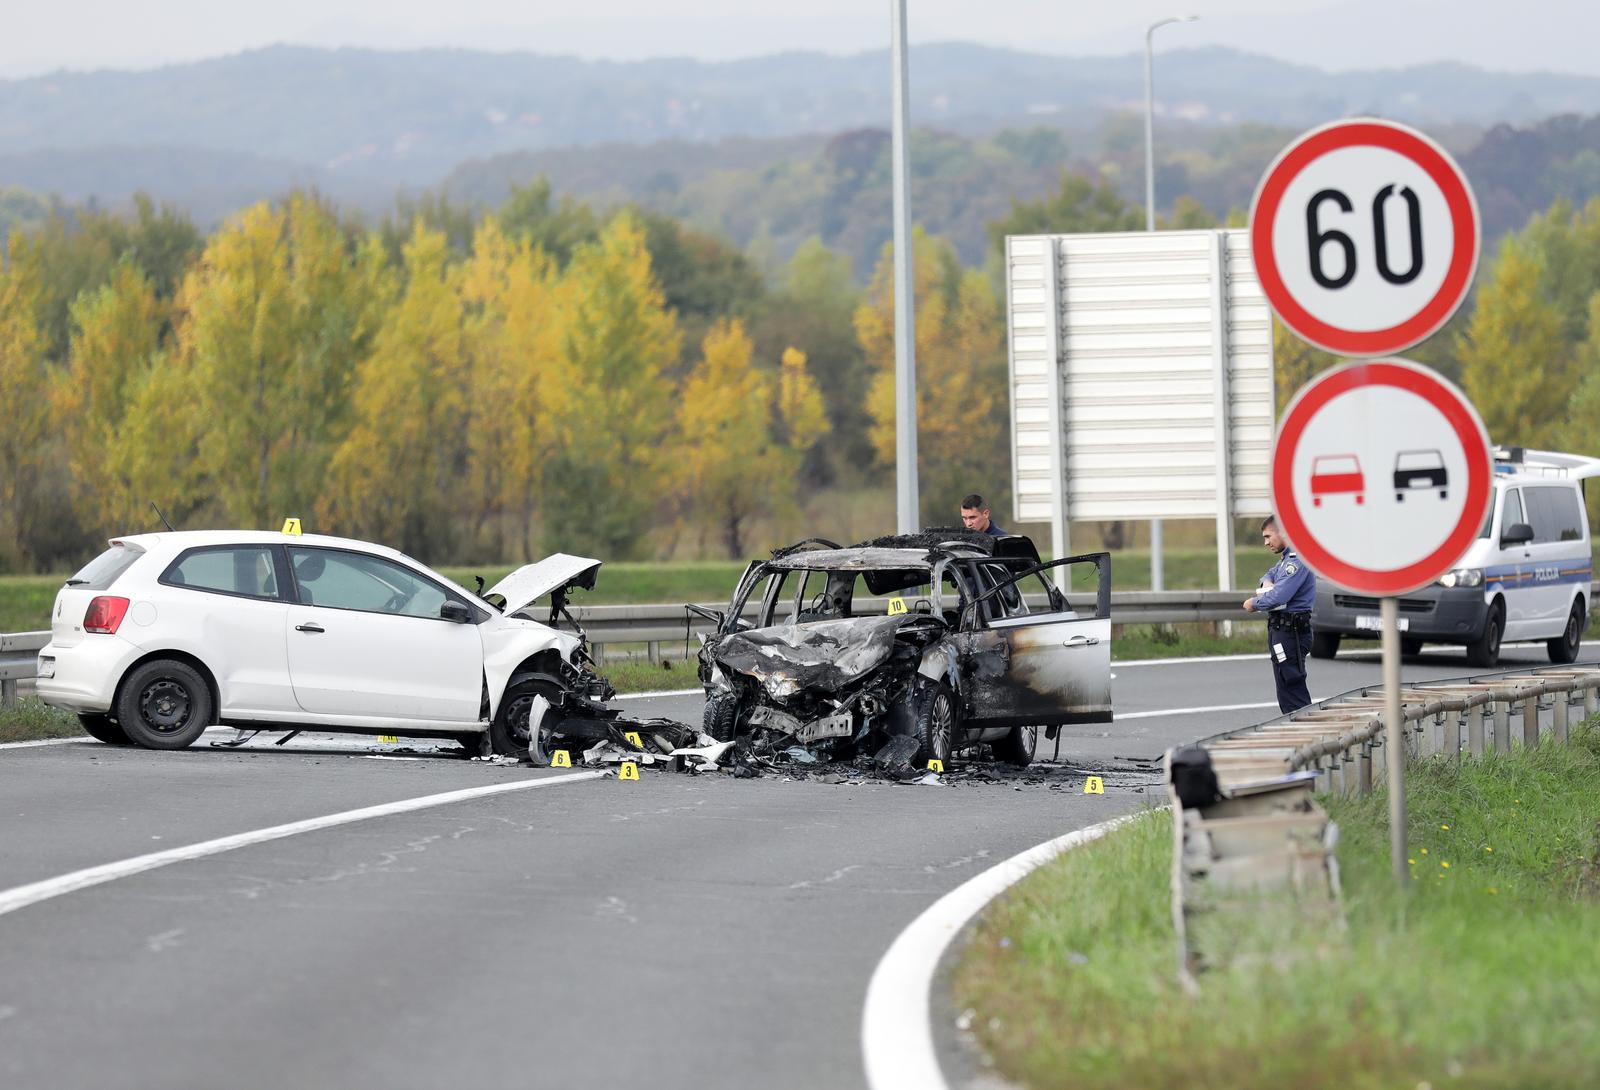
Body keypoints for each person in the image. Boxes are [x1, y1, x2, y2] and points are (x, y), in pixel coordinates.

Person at [1244, 515, 1317, 713]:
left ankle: (1306, 733)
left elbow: (1280, 596)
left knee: (1292, 687)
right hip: (1282, 631)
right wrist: (1266, 582)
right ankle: (1297, 730)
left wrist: (1254, 603)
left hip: (1291, 631)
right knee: (1285, 687)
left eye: (1268, 536)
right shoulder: (1286, 559)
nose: (1266, 542)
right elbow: (1270, 574)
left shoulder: (1297, 561)